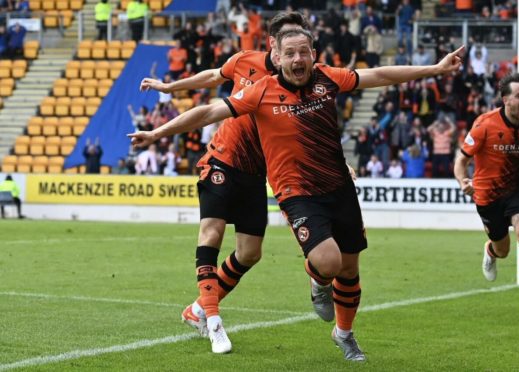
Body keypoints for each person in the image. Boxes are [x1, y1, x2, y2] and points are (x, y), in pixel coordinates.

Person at [130, 27, 462, 361]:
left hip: (338, 187)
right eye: (290, 53)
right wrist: (157, 132)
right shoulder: (261, 90)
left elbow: (378, 75)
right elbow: (208, 112)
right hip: (297, 192)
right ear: (277, 56)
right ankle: (314, 282)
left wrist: (435, 69)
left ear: (314, 53)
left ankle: (344, 334)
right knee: (328, 263)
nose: (297, 59)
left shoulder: (327, 79)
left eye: (303, 51)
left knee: (348, 268)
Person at [138, 12, 313, 354]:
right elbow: (210, 78)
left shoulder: (298, 85)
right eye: (284, 48)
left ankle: (198, 309)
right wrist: (170, 87)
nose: (291, 57)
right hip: (221, 159)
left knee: (250, 253)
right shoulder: (244, 62)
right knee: (212, 233)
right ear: (273, 46)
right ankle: (215, 324)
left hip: (254, 173)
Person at [454, 72, 519, 320]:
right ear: (506, 99)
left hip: (518, 190)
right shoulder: (484, 124)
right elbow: (461, 159)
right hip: (488, 195)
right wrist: (462, 180)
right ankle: (491, 252)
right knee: (503, 250)